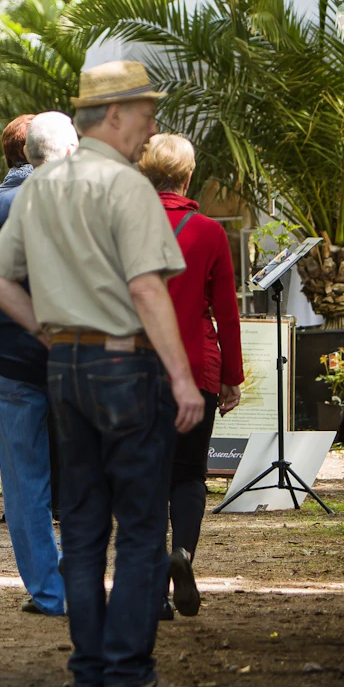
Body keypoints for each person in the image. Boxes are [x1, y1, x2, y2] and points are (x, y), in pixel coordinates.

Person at [0, 61, 199, 687]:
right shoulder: (126, 187)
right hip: (124, 363)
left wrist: (46, 329)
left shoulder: (42, 186)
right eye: (147, 114)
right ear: (115, 114)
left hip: (65, 365)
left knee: (80, 524)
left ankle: (89, 673)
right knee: (137, 526)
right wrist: (182, 379)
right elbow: (147, 288)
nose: (151, 127)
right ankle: (129, 674)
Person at [0, 112, 72, 618]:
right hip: (79, 355)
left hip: (13, 356)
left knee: (25, 477)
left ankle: (49, 591)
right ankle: (79, 575)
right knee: (81, 470)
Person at [138, 133, 243, 621]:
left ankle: (154, 592)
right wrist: (231, 377)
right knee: (189, 474)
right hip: (196, 370)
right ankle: (182, 554)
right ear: (187, 176)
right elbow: (226, 312)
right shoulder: (210, 232)